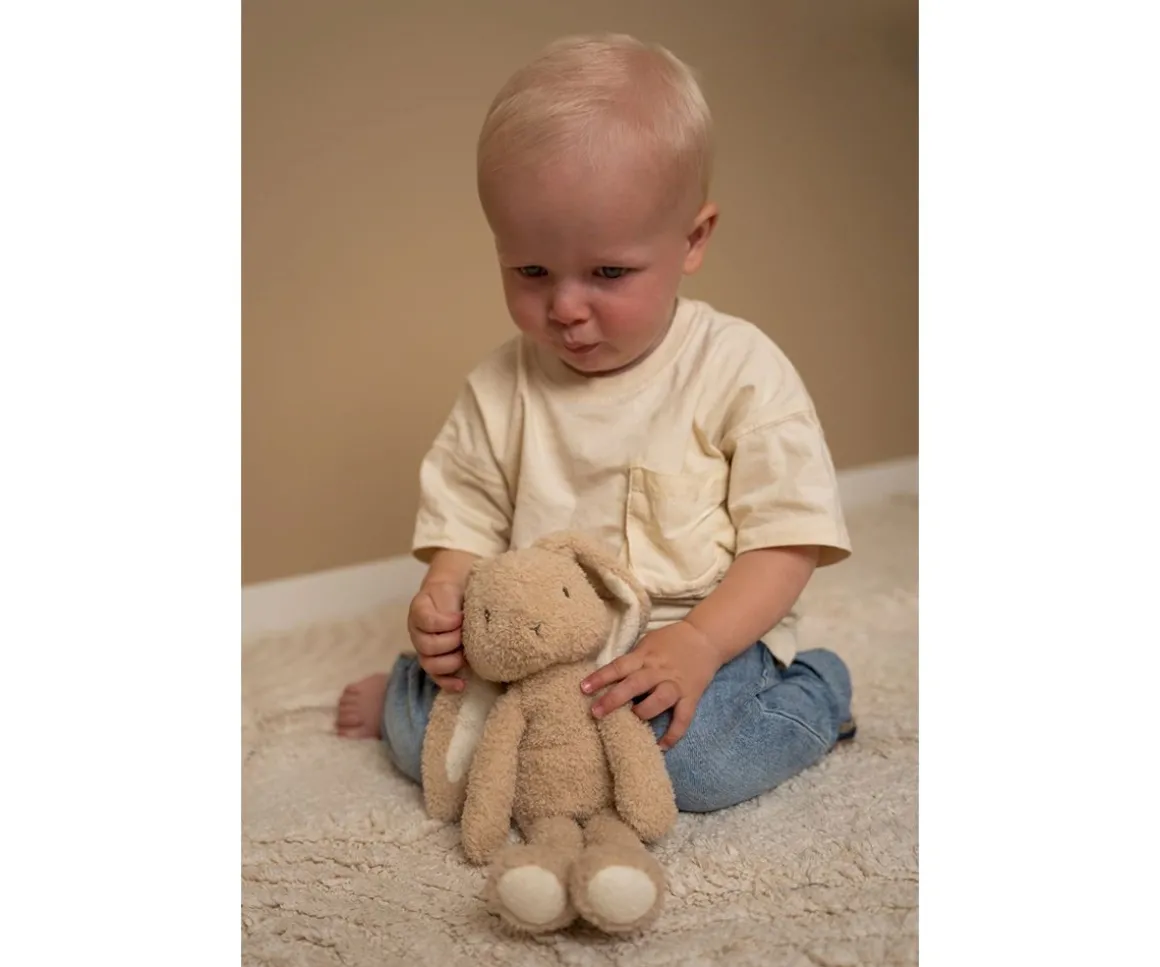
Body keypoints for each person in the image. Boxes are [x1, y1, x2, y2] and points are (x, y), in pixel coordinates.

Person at [335, 33, 855, 813]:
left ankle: (817, 687)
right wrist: (443, 590)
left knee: (695, 770)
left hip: (693, 636)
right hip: (536, 649)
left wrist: (702, 642)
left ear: (693, 240)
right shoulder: (499, 385)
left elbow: (787, 538)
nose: (566, 306)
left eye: (609, 272)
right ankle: (406, 696)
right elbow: (466, 521)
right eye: (531, 271)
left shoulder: (738, 368)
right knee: (445, 756)